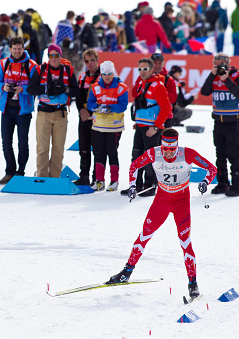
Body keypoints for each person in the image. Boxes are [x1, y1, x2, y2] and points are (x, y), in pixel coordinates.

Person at [107, 128, 217, 300]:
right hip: (161, 200)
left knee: (185, 242)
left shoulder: (187, 154)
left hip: (181, 202)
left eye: (172, 149)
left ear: (177, 146)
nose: (168, 153)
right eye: (166, 148)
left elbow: (212, 169)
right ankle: (126, 272)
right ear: (162, 145)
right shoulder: (153, 153)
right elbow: (134, 165)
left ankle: (193, 284)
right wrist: (133, 186)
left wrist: (204, 182)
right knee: (143, 236)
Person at [120, 58, 172, 197]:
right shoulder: (141, 84)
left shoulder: (158, 86)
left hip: (152, 130)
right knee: (136, 157)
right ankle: (136, 185)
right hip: (140, 127)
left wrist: (155, 127)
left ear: (151, 70)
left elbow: (166, 109)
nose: (142, 72)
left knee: (150, 159)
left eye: (145, 69)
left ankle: (149, 186)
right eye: (140, 69)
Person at [27, 44, 78, 178]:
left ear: (60, 57)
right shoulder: (40, 69)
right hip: (44, 113)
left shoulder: (68, 70)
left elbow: (76, 91)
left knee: (58, 150)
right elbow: (30, 90)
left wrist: (65, 89)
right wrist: (44, 88)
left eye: (56, 55)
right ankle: (42, 177)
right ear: (48, 57)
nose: (54, 58)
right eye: (51, 56)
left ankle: (55, 177)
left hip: (60, 113)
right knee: (43, 149)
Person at [0, 36, 37, 185]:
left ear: (24, 49)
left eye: (20, 48)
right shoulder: (3, 63)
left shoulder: (31, 65)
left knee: (22, 143)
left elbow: (36, 86)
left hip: (23, 111)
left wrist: (22, 89)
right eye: (15, 48)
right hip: (7, 109)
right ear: (9, 49)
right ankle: (9, 171)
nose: (17, 51)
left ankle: (20, 172)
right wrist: (3, 87)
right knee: (6, 143)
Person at [200, 53, 239, 197]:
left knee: (233, 154)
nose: (219, 68)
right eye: (216, 65)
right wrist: (211, 75)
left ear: (228, 64)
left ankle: (237, 186)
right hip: (219, 121)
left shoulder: (238, 76)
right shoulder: (213, 77)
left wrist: (226, 80)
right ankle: (223, 183)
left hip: (234, 122)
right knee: (220, 154)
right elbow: (204, 92)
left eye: (221, 65)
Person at [86, 61, 128, 192]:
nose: (107, 77)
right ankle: (99, 181)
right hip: (99, 126)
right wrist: (98, 107)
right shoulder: (95, 87)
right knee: (99, 153)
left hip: (114, 127)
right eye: (104, 74)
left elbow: (123, 105)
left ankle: (114, 181)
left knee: (112, 152)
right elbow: (89, 104)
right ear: (101, 75)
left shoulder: (121, 87)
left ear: (113, 73)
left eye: (109, 74)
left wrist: (109, 108)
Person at [74, 49, 100, 186]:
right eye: (87, 61)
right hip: (84, 117)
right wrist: (81, 111)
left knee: (97, 149)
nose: (90, 64)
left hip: (98, 117)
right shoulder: (82, 77)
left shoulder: (104, 76)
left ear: (97, 60)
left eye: (92, 60)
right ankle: (84, 176)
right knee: (83, 148)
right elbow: (78, 98)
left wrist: (90, 111)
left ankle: (97, 178)